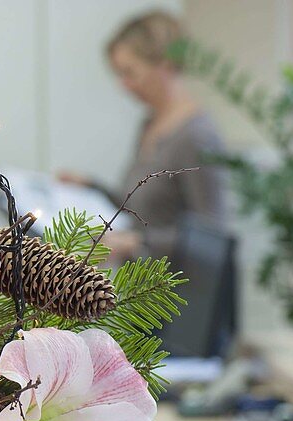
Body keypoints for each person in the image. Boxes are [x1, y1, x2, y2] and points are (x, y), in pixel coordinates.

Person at [59, 11, 227, 261]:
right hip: (141, 288)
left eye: (130, 72)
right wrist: (91, 187)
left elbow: (213, 235)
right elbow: (141, 210)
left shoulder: (196, 136)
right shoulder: (149, 124)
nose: (124, 85)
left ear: (165, 65)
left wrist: (138, 243)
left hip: (176, 294)